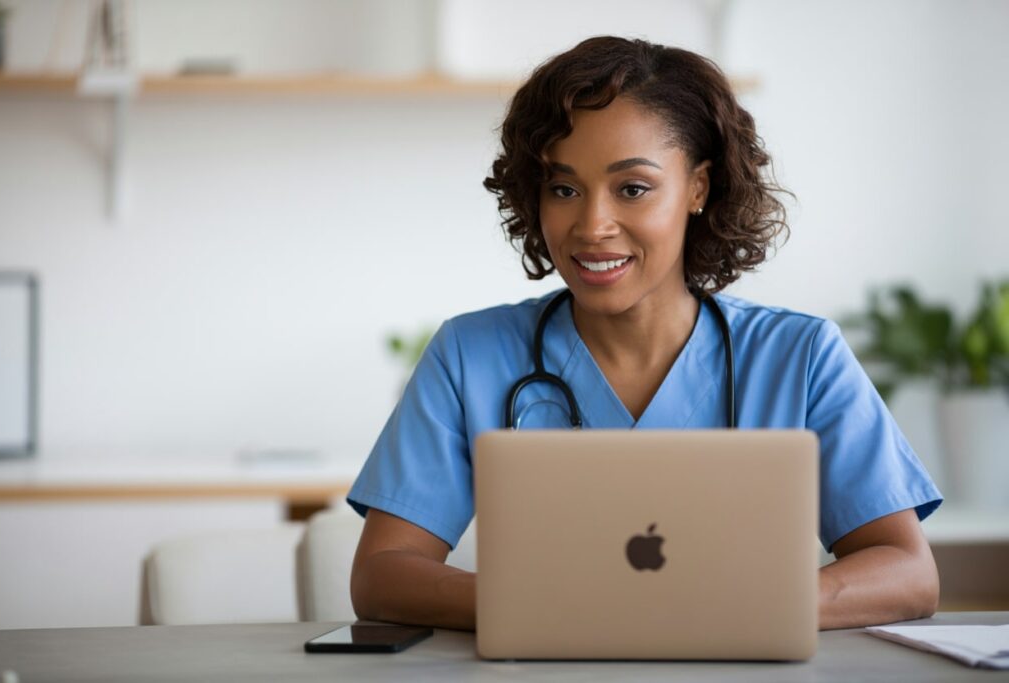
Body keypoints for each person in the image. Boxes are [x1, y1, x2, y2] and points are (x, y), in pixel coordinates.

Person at [346, 36, 942, 632]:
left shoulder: (801, 357)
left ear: (698, 188)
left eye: (632, 189)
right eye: (563, 189)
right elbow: (382, 574)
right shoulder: (468, 356)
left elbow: (908, 573)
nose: (592, 226)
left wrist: (730, 609)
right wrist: (549, 609)